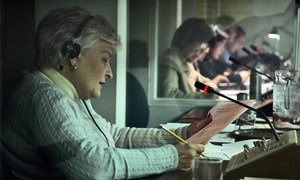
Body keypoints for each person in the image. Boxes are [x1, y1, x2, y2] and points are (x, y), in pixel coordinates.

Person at [1, 6, 213, 179]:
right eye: (105, 58)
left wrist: (183, 135)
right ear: (72, 54)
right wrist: (173, 156)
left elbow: (113, 136)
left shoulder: (67, 92)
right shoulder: (45, 97)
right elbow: (94, 167)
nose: (110, 72)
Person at [158, 18, 228, 98]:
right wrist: (204, 97)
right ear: (187, 41)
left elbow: (200, 84)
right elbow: (168, 95)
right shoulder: (170, 61)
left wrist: (209, 89)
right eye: (200, 47)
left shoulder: (188, 61)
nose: (204, 51)